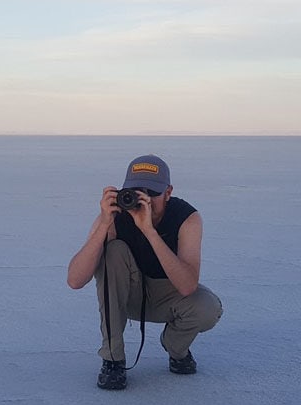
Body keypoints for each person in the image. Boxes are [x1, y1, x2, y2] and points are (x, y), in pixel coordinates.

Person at [67, 154, 223, 390]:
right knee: (113, 251)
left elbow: (188, 286)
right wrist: (104, 226)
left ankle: (175, 348)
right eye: (137, 191)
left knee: (208, 308)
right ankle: (113, 360)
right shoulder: (115, 215)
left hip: (169, 295)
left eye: (152, 193)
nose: (144, 200)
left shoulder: (187, 218)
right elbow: (75, 280)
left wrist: (149, 231)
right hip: (127, 296)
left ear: (168, 192)